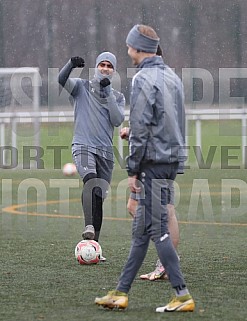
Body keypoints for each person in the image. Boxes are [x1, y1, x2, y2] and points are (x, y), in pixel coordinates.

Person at [95, 24, 194, 312]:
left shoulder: (142, 79)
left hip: (152, 162)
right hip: (171, 159)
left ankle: (182, 294)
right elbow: (173, 122)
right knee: (140, 233)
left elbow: (141, 126)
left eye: (129, 46)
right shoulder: (172, 77)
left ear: (137, 48)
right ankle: (121, 292)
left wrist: (133, 169)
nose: (127, 51)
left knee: (156, 228)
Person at [58, 52, 125, 255]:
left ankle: (95, 246)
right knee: (91, 181)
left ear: (113, 70)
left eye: (109, 66)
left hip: (105, 154)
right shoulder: (81, 87)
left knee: (98, 197)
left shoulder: (118, 96)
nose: (105, 68)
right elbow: (61, 80)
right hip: (83, 146)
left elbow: (117, 120)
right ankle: (89, 227)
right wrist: (70, 64)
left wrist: (108, 92)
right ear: (96, 66)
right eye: (102, 64)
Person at [120, 126, 179, 281]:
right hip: (153, 155)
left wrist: (134, 134)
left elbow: (151, 120)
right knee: (134, 206)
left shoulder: (155, 101)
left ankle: (167, 262)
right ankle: (167, 257)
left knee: (166, 210)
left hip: (156, 159)